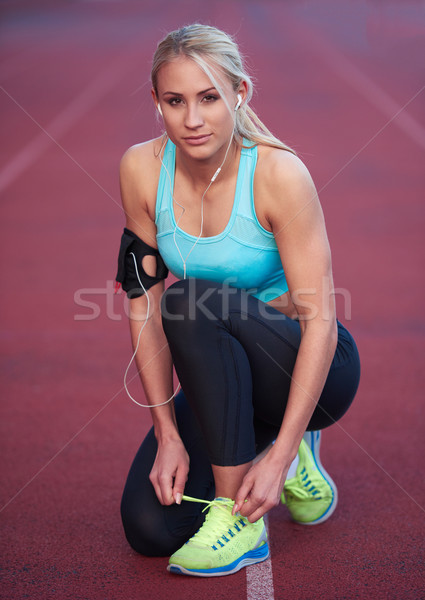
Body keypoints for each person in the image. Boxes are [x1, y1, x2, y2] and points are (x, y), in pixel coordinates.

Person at [117, 23, 360, 577]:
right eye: (175, 101)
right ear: (156, 102)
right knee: (151, 530)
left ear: (240, 93)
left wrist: (275, 457)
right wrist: (167, 434)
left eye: (209, 98)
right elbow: (142, 303)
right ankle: (250, 447)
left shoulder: (278, 173)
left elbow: (319, 321)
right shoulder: (140, 170)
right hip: (222, 372)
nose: (193, 119)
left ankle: (250, 507)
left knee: (191, 301)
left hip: (310, 365)